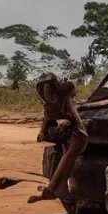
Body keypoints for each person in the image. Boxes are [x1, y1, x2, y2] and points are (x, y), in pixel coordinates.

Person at [29, 73, 88, 204]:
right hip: (66, 131)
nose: (47, 92)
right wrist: (42, 132)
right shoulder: (48, 105)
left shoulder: (65, 93)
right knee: (63, 155)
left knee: (68, 156)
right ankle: (55, 188)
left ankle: (51, 189)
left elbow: (71, 91)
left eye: (48, 88)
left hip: (77, 129)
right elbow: (47, 118)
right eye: (44, 89)